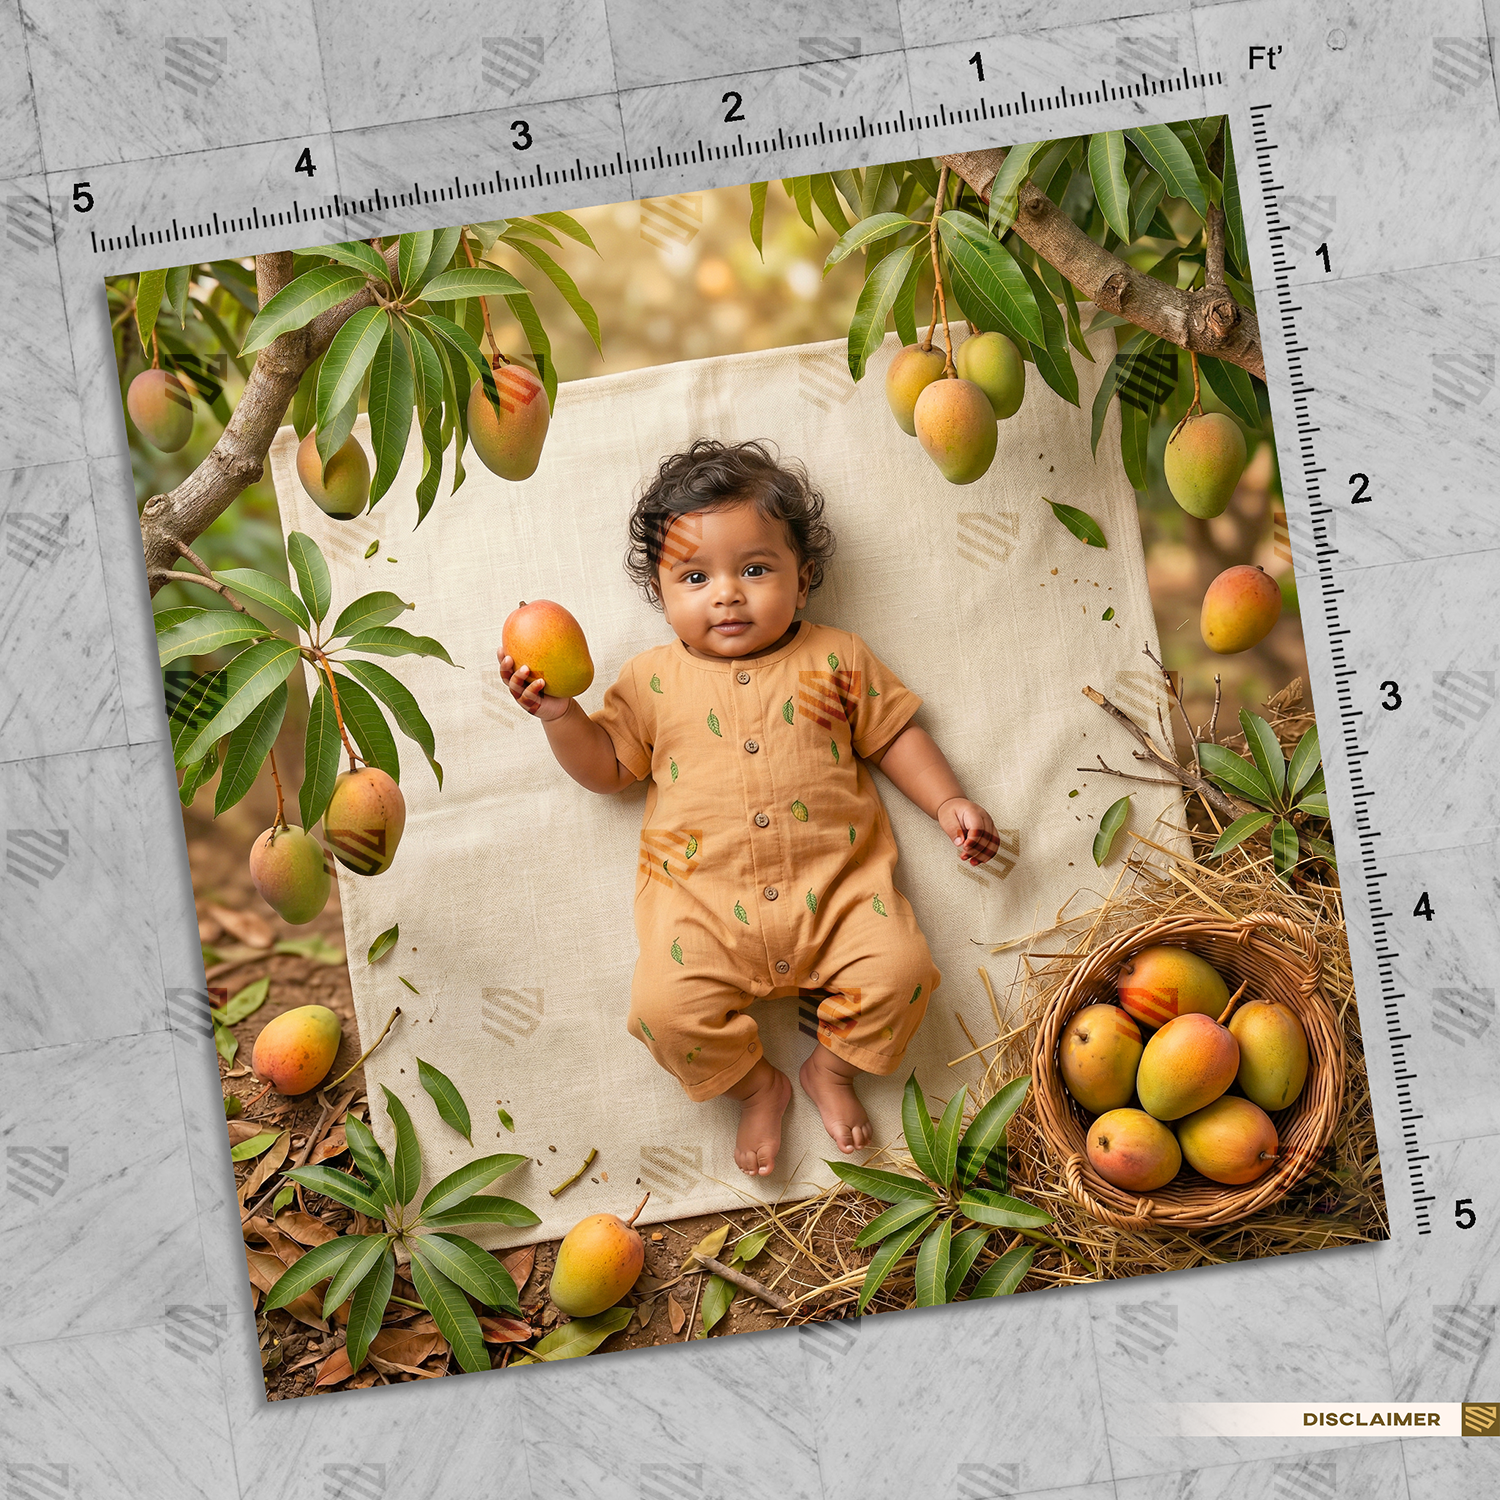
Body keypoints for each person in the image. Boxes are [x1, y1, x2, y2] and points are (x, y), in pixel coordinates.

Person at [500, 439, 999, 1177]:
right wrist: (559, 717)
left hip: (838, 898)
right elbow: (607, 770)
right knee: (663, 1012)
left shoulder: (838, 658)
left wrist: (949, 800)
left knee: (902, 973)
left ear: (803, 583)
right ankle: (755, 1084)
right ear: (662, 595)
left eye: (755, 569)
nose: (727, 594)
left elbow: (894, 736)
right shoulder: (648, 682)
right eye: (695, 576)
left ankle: (829, 1068)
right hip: (700, 913)